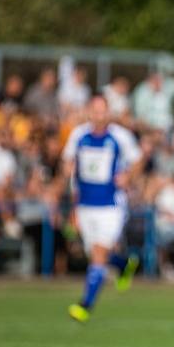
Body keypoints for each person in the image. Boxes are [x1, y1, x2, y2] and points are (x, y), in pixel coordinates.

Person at [62, 96, 142, 323]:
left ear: (108, 113)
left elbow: (138, 159)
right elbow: (68, 162)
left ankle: (85, 305)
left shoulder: (120, 136)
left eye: (103, 111)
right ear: (89, 112)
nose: (99, 115)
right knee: (98, 256)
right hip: (86, 204)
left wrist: (128, 176)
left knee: (98, 254)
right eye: (95, 111)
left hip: (111, 205)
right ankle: (125, 264)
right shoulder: (79, 135)